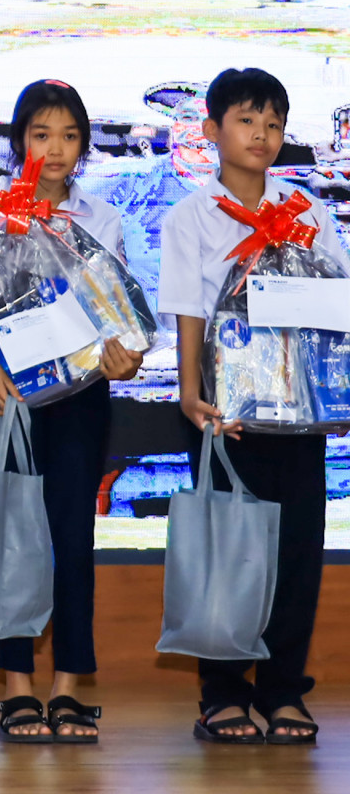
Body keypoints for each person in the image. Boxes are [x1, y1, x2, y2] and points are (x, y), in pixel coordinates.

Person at [0, 80, 142, 743]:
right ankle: (17, 690)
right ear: (18, 141)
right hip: (4, 393)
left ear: (83, 145)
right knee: (12, 539)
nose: (54, 149)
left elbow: (115, 318)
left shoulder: (100, 217)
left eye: (67, 136)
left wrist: (127, 361)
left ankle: (68, 687)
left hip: (81, 400)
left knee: (70, 540)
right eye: (40, 134)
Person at [161, 67, 348, 745]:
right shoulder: (192, 216)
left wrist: (339, 394)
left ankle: (282, 690)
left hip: (301, 411)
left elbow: (334, 306)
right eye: (246, 121)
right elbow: (186, 311)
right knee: (227, 551)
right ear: (211, 131)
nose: (261, 135)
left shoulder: (308, 211)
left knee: (298, 551)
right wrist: (189, 395)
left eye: (273, 123)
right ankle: (222, 692)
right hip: (225, 416)